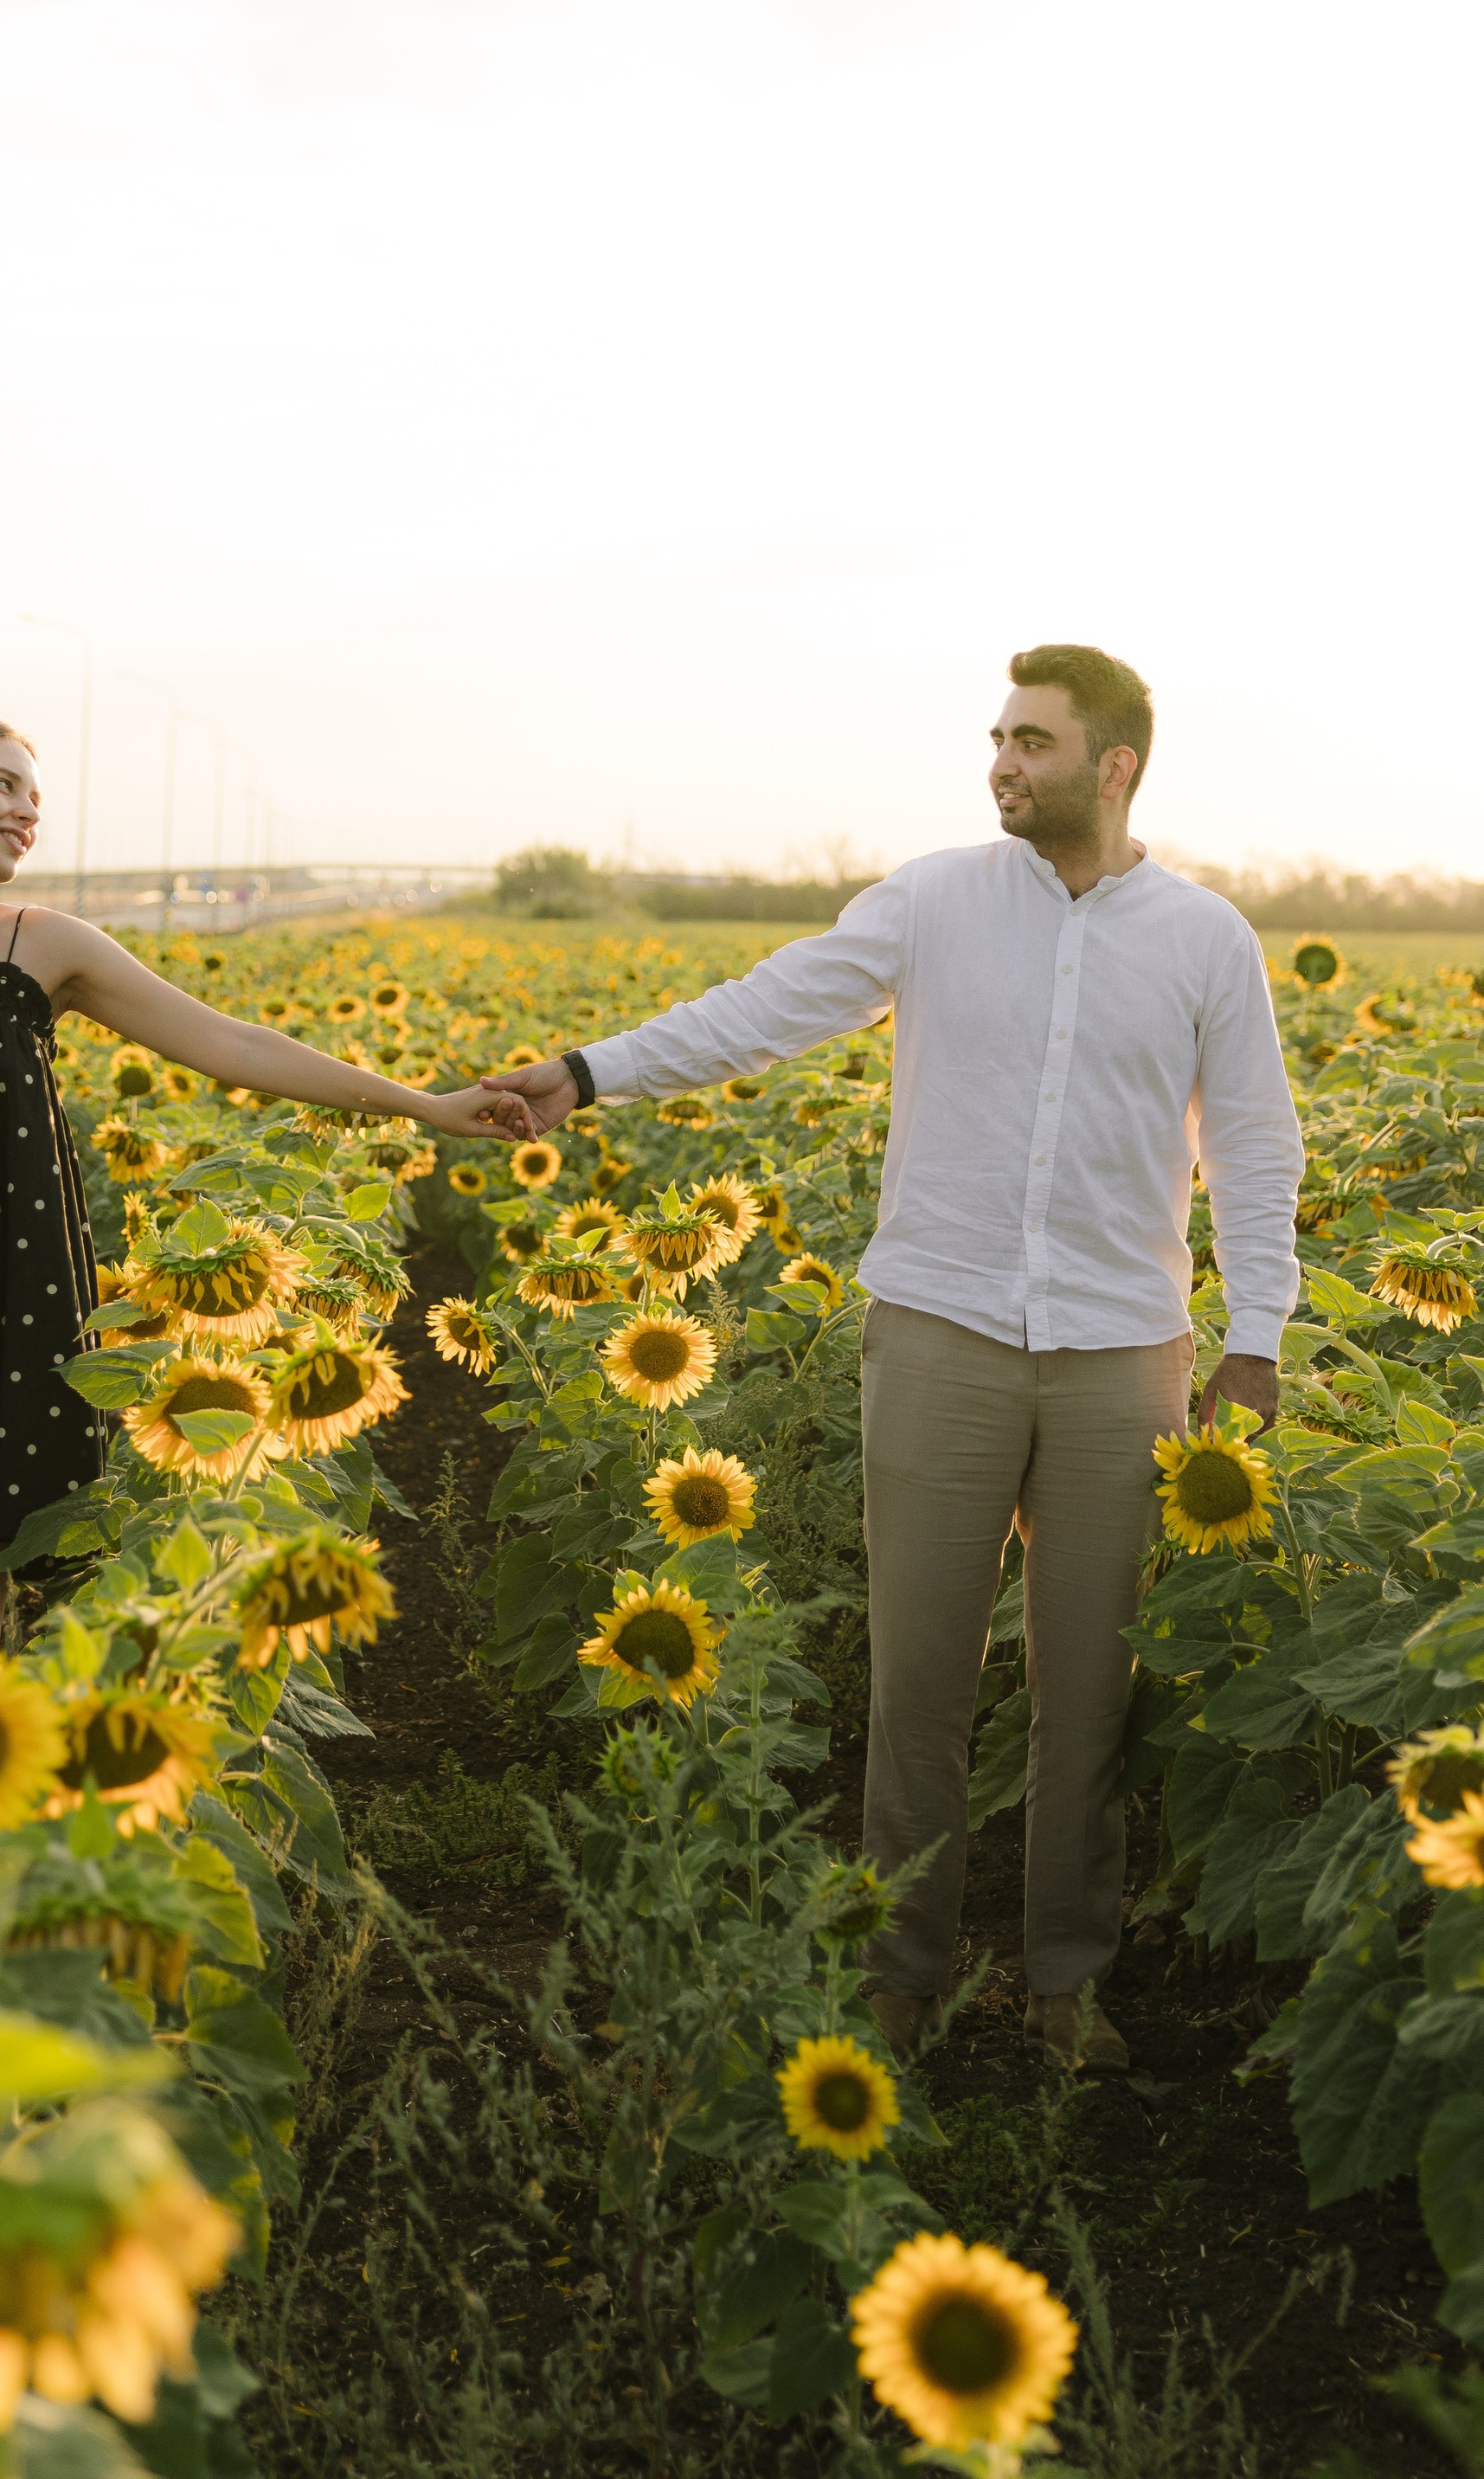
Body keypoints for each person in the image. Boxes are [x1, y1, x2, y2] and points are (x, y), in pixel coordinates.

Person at [485, 643, 1302, 2070]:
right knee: (919, 1679)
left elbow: (1253, 1143)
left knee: (1089, 1691)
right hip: (940, 1331)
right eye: (998, 737)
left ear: (1113, 766)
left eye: (1033, 741)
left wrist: (1257, 1338)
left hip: (1126, 1354)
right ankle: (899, 1977)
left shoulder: (1205, 940)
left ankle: (1066, 1984)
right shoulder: (932, 901)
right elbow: (766, 1009)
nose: (1003, 762)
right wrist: (591, 1071)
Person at [0, 712, 533, 1833]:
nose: (26, 812)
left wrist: (424, 1106)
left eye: (36, 797)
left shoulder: (44, 947)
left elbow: (233, 1044)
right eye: (3, 785)